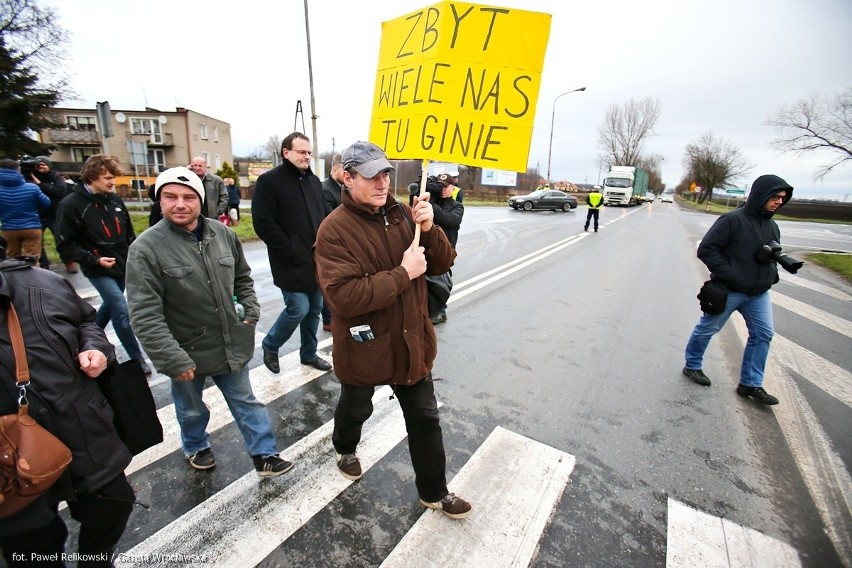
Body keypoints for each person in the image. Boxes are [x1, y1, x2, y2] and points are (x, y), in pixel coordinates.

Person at [314, 140, 472, 520]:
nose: (382, 182)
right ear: (348, 178)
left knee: (425, 419)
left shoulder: (403, 214)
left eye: (385, 173)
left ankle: (435, 492)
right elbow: (344, 298)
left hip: (411, 340)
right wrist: (403, 273)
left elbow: (442, 263)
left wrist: (430, 228)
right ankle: (345, 446)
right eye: (371, 175)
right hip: (365, 345)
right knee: (356, 407)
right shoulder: (333, 231)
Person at [126, 167, 293, 476]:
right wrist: (172, 359)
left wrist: (251, 311)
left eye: (189, 197)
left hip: (230, 341)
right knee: (191, 409)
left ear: (200, 201)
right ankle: (195, 445)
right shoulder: (146, 249)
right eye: (170, 197)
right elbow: (144, 314)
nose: (180, 204)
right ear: (159, 201)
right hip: (185, 350)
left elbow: (242, 279)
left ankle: (265, 454)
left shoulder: (224, 234)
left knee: (246, 401)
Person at [0, 256, 134, 568]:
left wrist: (95, 348)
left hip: (80, 431)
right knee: (32, 543)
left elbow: (86, 322)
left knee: (114, 505)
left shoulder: (43, 282)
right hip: (10, 464)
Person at [682, 174, 796, 406]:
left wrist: (771, 274)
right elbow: (707, 249)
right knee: (708, 328)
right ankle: (692, 365)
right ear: (760, 195)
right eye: (774, 197)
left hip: (758, 294)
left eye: (782, 198)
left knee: (763, 334)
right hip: (730, 290)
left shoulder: (772, 225)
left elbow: (770, 255)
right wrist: (731, 275)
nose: (778, 202)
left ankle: (750, 384)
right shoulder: (732, 220)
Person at [54, 155, 150, 376]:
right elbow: (65, 245)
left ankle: (86, 341)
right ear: (92, 175)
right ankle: (137, 358)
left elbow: (128, 233)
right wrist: (94, 260)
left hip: (121, 265)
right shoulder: (71, 204)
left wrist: (134, 253)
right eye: (108, 177)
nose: (112, 182)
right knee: (121, 310)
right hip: (98, 267)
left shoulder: (114, 200)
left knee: (109, 306)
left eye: (114, 178)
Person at [252, 132, 331, 374]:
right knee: (298, 308)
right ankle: (271, 344)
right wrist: (289, 248)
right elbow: (263, 223)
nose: (306, 156)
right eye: (301, 152)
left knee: (315, 309)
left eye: (309, 152)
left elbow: (323, 216)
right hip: (288, 260)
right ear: (286, 153)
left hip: (314, 260)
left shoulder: (313, 181)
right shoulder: (269, 181)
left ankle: (308, 354)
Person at [29, 156, 77, 272]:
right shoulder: (29, 178)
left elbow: (60, 192)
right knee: (37, 242)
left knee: (62, 240)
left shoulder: (56, 177)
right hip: (37, 215)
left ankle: (68, 262)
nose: (41, 166)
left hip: (55, 215)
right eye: (38, 164)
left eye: (43, 164)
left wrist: (39, 183)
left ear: (49, 166)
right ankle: (44, 265)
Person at [429, 173, 465, 324]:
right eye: (440, 186)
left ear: (453, 187)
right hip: (430, 247)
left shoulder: (457, 206)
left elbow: (449, 220)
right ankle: (430, 308)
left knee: (443, 280)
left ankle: (441, 311)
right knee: (428, 280)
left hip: (447, 250)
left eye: (446, 186)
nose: (443, 189)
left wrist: (430, 204)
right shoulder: (433, 201)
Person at [0, 159, 51, 259]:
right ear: (18, 170)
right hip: (31, 226)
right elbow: (46, 203)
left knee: (11, 258)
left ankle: (13, 274)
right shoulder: (32, 188)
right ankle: (33, 274)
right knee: (32, 259)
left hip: (9, 228)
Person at [320, 154, 345, 332]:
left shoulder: (343, 188)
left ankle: (333, 316)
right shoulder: (325, 189)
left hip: (344, 241)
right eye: (344, 170)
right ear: (335, 169)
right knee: (330, 282)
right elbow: (329, 217)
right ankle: (328, 320)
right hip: (332, 242)